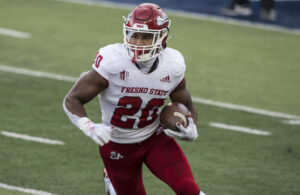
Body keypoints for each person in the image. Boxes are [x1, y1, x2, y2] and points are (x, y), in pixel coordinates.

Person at [63, 3, 205, 195]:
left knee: (189, 190)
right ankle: (110, 179)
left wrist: (191, 127)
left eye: (147, 37)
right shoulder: (112, 61)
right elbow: (72, 99)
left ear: (162, 37)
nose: (138, 42)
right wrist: (89, 126)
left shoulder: (173, 64)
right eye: (134, 35)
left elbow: (186, 103)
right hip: (117, 143)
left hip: (154, 136)